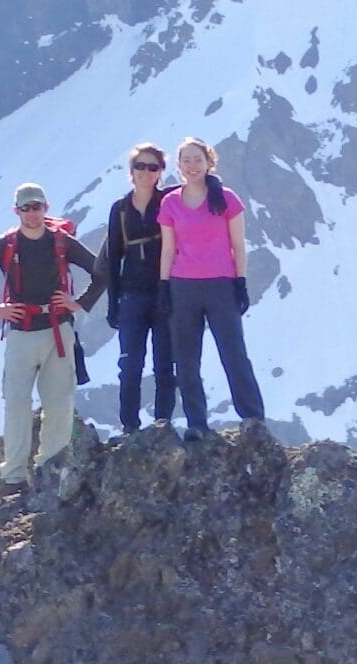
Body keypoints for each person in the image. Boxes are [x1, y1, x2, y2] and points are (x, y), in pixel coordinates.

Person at [0, 183, 104, 483]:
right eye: (26, 208)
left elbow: (103, 271)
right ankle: (14, 476)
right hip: (21, 333)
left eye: (36, 206)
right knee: (16, 404)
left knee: (60, 404)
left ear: (45, 208)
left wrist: (79, 303)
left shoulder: (62, 242)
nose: (32, 213)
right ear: (17, 211)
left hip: (57, 329)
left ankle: (51, 470)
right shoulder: (4, 245)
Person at [157, 137, 265, 440]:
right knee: (187, 358)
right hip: (183, 286)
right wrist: (164, 285)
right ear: (178, 166)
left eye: (197, 159)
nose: (192, 166)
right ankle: (197, 423)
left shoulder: (227, 198)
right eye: (186, 160)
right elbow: (168, 249)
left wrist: (240, 282)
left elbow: (238, 246)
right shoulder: (170, 203)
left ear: (208, 162)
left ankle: (253, 417)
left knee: (234, 353)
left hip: (220, 285)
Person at [99, 143, 177, 435]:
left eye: (152, 167)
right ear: (131, 171)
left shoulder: (170, 199)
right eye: (140, 166)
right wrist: (112, 303)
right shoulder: (119, 209)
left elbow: (202, 182)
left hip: (165, 293)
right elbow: (113, 257)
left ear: (161, 172)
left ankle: (162, 426)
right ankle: (129, 425)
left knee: (164, 364)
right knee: (130, 364)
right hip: (132, 295)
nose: (146, 172)